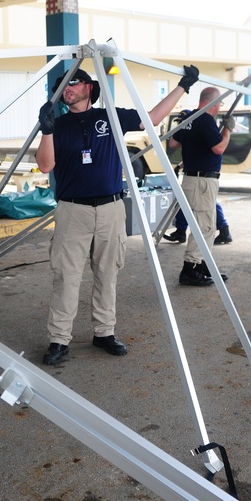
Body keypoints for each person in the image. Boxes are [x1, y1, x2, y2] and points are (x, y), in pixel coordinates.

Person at [35, 65, 199, 366]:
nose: (67, 89)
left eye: (73, 83)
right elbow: (45, 166)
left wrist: (183, 86)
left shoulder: (109, 115)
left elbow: (151, 120)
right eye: (62, 86)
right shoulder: (58, 125)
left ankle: (104, 332)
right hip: (73, 210)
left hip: (111, 208)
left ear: (88, 88)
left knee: (108, 273)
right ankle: (59, 339)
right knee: (66, 277)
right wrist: (46, 130)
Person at [167, 86, 231, 287]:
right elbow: (219, 148)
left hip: (191, 180)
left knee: (204, 225)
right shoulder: (205, 119)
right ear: (214, 102)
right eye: (219, 103)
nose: (220, 107)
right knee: (204, 226)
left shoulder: (190, 118)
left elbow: (173, 144)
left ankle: (202, 264)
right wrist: (227, 129)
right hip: (203, 181)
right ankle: (190, 269)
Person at [162, 201, 231, 245]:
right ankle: (180, 232)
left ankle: (224, 231)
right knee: (184, 200)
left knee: (207, 201)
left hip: (201, 179)